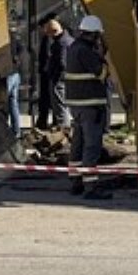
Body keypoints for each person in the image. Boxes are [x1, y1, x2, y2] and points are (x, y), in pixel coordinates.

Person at [64, 14, 111, 199]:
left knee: (78, 144)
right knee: (92, 146)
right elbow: (101, 74)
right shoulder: (86, 51)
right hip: (90, 105)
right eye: (98, 35)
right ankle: (91, 188)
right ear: (94, 34)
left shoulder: (73, 48)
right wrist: (104, 59)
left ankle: (76, 183)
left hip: (76, 106)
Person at [35, 16, 72, 131]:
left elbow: (62, 63)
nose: (47, 35)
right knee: (59, 105)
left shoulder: (60, 43)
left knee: (60, 106)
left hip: (58, 79)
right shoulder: (66, 40)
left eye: (48, 32)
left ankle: (63, 130)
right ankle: (61, 127)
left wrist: (51, 72)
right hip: (58, 77)